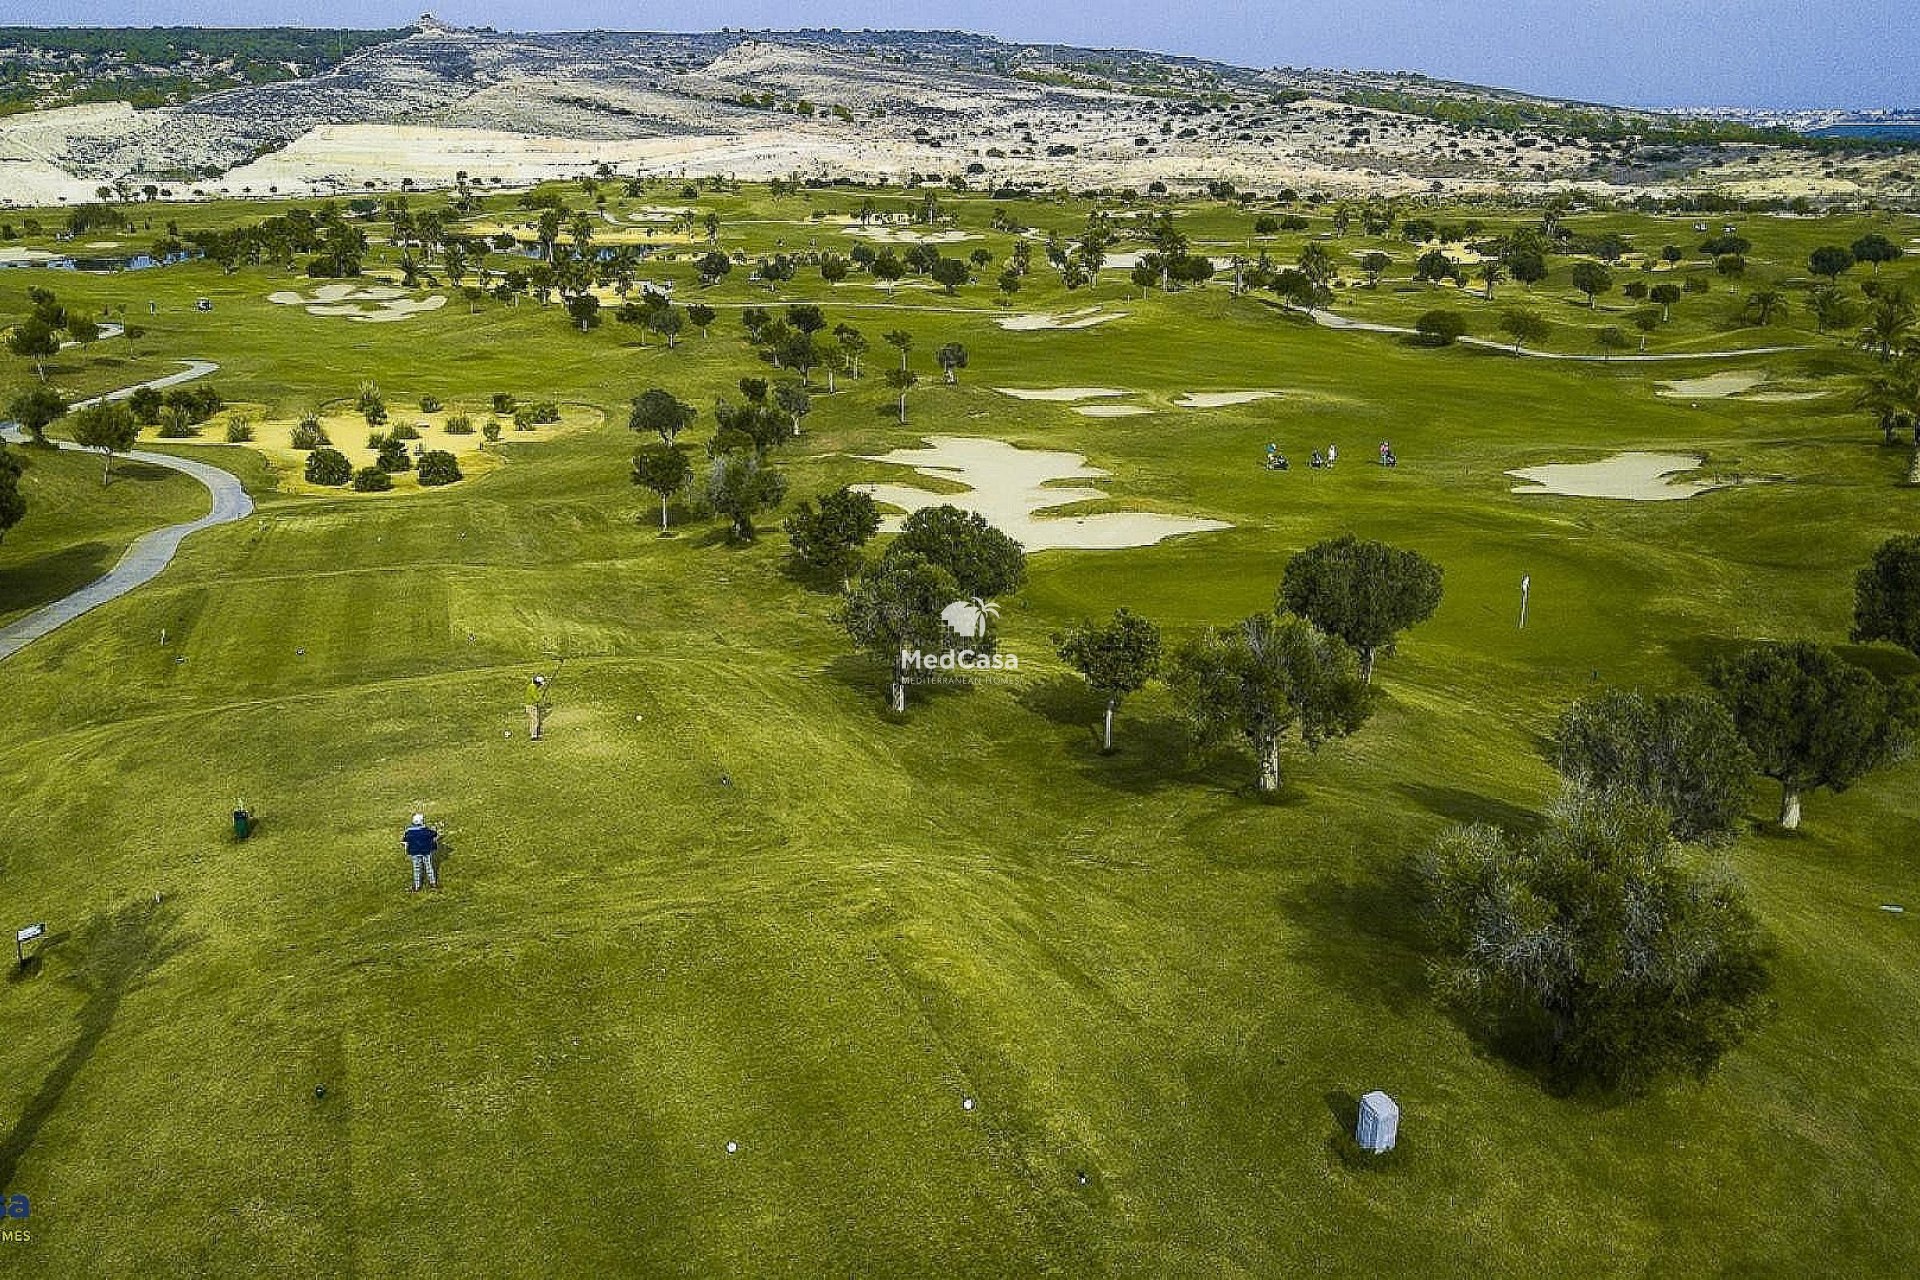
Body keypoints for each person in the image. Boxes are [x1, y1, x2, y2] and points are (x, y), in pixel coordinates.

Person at [402, 814, 439, 891]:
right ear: (422, 821)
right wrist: (434, 829)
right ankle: (433, 883)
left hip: (414, 852)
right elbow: (434, 834)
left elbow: (405, 839)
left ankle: (417, 886)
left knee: (416, 869)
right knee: (429, 867)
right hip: (426, 852)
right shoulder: (426, 830)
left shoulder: (409, 831)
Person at [525, 674, 550, 740]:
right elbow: (536, 698)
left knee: (534, 720)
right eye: (540, 684)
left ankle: (534, 733)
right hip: (531, 706)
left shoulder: (531, 686)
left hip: (530, 706)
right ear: (537, 683)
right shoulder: (533, 687)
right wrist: (540, 698)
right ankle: (534, 736)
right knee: (535, 721)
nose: (540, 686)